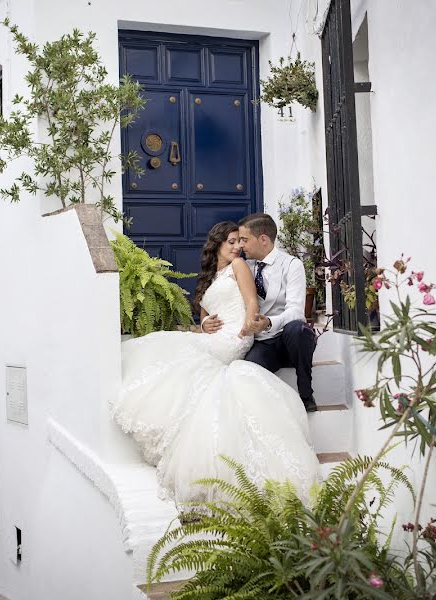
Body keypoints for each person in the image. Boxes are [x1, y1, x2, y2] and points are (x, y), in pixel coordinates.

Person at [111, 222, 320, 504]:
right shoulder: (210, 276)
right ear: (217, 245)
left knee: (182, 356)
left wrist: (247, 327)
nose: (237, 247)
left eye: (239, 241)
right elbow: (204, 318)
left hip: (236, 336)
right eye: (231, 242)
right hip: (217, 334)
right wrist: (205, 323)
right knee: (174, 348)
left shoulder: (240, 267)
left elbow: (252, 303)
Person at [202, 213, 318, 412]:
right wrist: (205, 323)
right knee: (249, 370)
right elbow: (218, 298)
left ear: (263, 239)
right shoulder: (242, 266)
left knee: (298, 329)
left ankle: (306, 393)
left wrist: (269, 322)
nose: (240, 246)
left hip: (287, 339)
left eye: (244, 240)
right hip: (262, 343)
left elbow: (296, 311)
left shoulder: (291, 265)